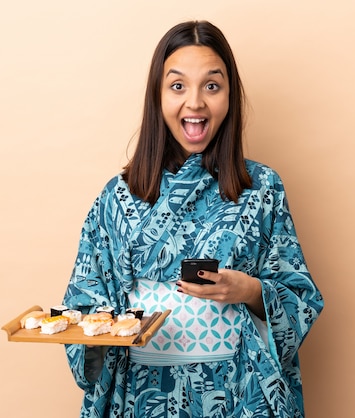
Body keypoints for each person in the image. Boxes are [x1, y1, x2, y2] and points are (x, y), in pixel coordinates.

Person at [62, 20, 324, 418]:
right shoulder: (116, 197)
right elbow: (84, 300)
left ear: (230, 97)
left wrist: (250, 291)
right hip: (141, 391)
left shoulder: (262, 187)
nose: (196, 103)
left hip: (237, 389)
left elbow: (300, 295)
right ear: (158, 96)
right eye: (178, 86)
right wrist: (99, 331)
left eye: (212, 86)